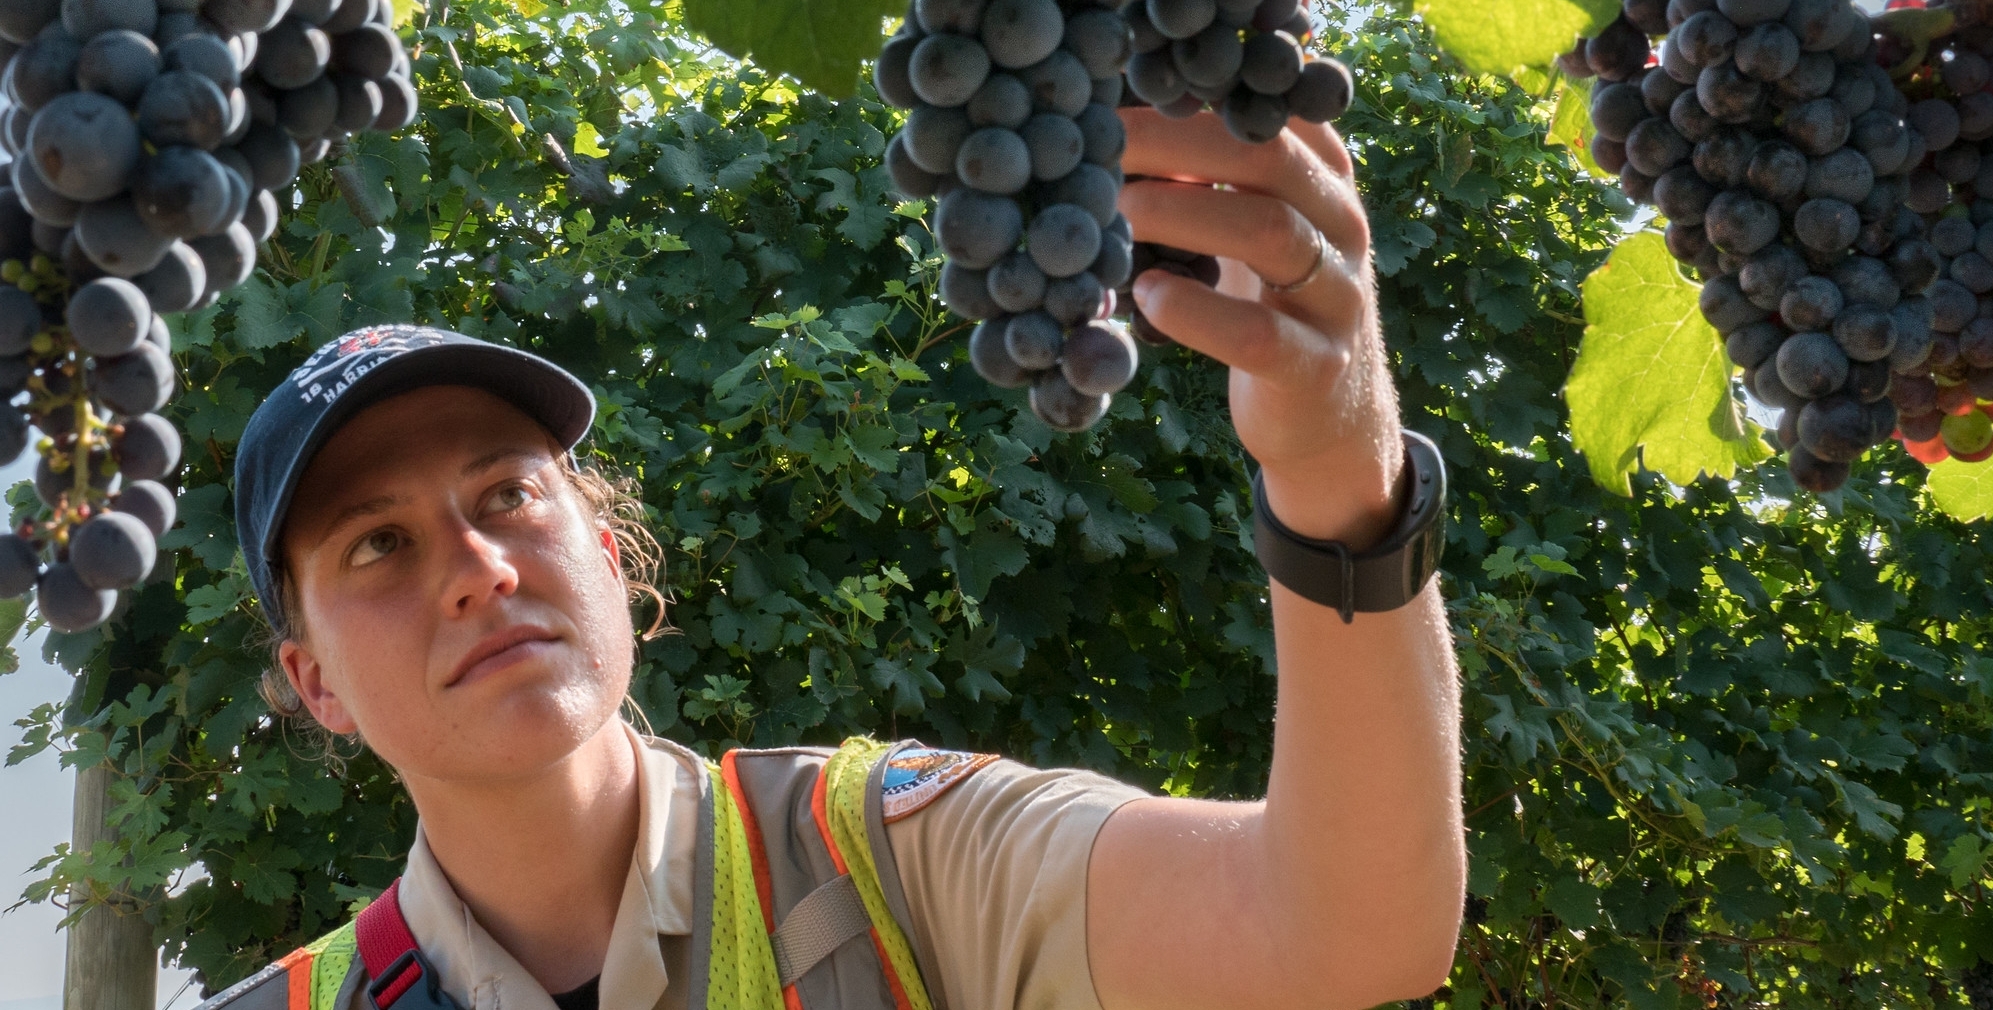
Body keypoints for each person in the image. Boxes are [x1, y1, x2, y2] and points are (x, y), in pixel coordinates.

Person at [201, 110, 1465, 1010]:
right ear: (313, 684)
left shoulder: (893, 863)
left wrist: (1339, 480)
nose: (477, 564)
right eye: (378, 542)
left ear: (599, 549)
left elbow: (1345, 934)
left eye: (509, 492)